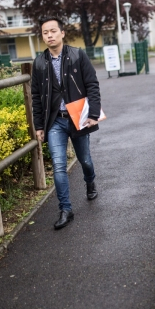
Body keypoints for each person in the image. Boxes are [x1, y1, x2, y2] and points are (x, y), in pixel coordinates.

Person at [31, 17, 101, 230]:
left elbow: (92, 85)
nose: (49, 35)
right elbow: (35, 96)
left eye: (53, 31)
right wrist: (39, 125)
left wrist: (94, 114)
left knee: (85, 160)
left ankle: (90, 181)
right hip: (55, 121)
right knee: (59, 166)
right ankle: (65, 209)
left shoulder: (77, 55)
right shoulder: (39, 62)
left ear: (62, 33)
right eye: (45, 32)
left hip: (78, 117)